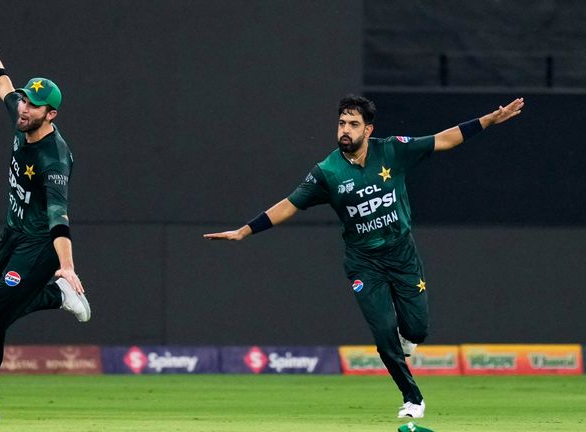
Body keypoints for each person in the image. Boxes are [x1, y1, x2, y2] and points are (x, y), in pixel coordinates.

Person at [204, 95, 524, 418]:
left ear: (368, 130)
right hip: (363, 262)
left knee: (417, 329)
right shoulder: (327, 172)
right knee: (384, 332)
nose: (345, 130)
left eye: (353, 124)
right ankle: (413, 398)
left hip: (402, 254)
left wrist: (489, 120)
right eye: (342, 123)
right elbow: (289, 204)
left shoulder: (392, 150)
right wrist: (245, 230)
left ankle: (407, 339)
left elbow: (443, 139)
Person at [0, 10, 91, 421]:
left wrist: (66, 267)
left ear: (51, 114)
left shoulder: (54, 159)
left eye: (34, 105)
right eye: (26, 100)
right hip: (11, 236)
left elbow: (59, 218)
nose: (24, 107)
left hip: (39, 248)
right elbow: (2, 84)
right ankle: (54, 296)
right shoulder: (22, 117)